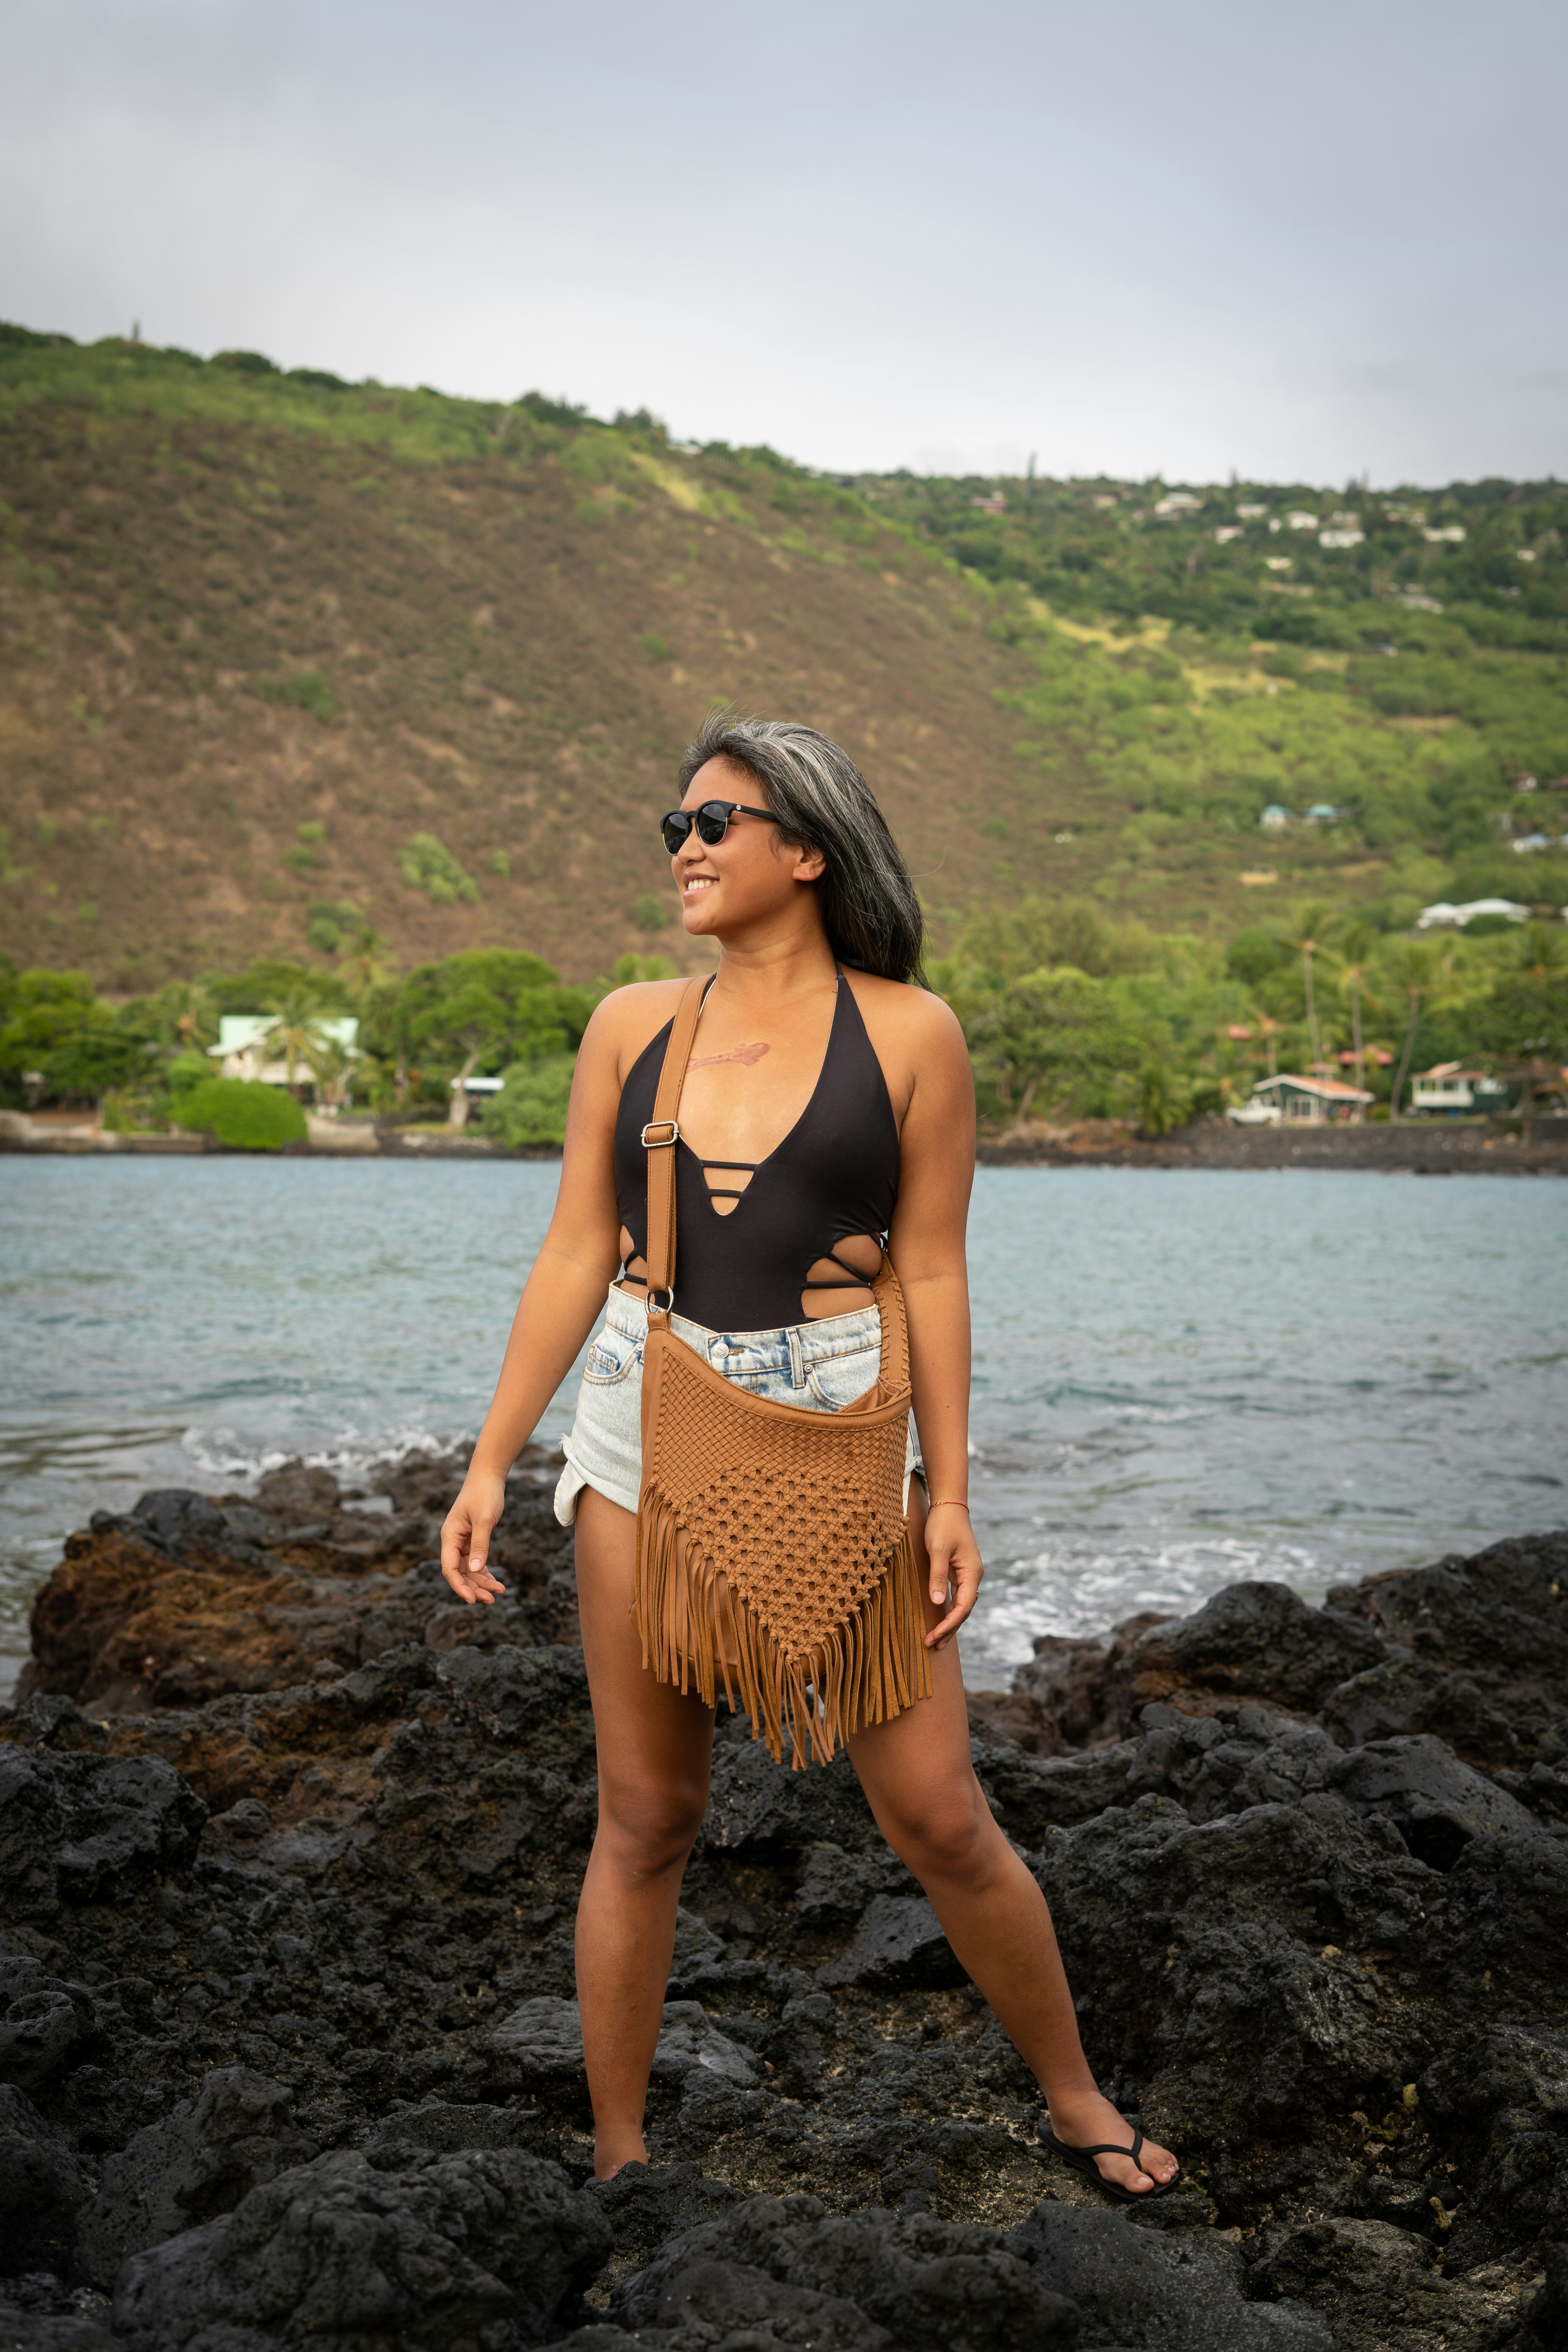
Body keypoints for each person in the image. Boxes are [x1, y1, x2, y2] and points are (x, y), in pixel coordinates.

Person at [440, 714, 1178, 2200]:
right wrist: (489, 1461)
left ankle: (1079, 2097)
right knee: (648, 1818)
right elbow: (580, 1245)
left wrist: (951, 1491)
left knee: (939, 1812)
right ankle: (621, 2153)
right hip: (644, 1431)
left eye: (719, 822)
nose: (687, 848)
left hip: (849, 1436)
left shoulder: (913, 1032)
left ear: (809, 850)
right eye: (677, 827)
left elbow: (937, 1271)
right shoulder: (628, 1025)